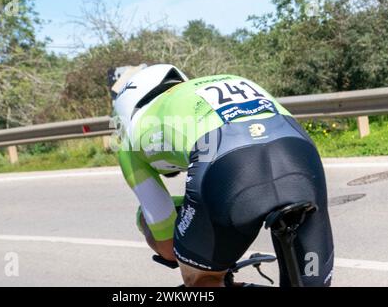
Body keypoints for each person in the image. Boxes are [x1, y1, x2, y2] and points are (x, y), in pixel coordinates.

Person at [112, 64, 334, 287]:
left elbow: (168, 247)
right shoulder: (216, 83)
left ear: (126, 111)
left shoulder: (132, 139)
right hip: (298, 150)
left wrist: (145, 221)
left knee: (201, 278)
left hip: (228, 162)